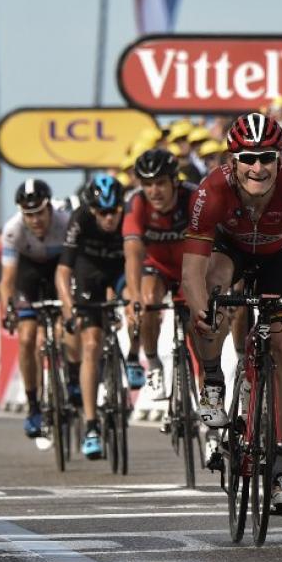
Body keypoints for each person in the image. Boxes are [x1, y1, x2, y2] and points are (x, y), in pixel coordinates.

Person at [182, 113, 282, 510]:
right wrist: (203, 310)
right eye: (249, 157)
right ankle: (214, 382)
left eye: (267, 157)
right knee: (214, 290)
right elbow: (191, 273)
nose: (258, 167)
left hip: (280, 257)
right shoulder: (211, 191)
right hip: (230, 251)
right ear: (233, 160)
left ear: (280, 158)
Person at [56, 174, 126, 460]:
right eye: (103, 213)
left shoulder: (129, 217)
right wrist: (68, 307)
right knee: (92, 344)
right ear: (93, 210)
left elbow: (139, 263)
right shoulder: (81, 218)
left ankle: (133, 359)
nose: (109, 218)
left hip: (120, 269)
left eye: (114, 212)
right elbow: (63, 271)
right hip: (90, 272)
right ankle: (91, 425)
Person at [0, 178, 74, 438]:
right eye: (28, 214)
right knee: (27, 338)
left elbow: (77, 266)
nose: (35, 220)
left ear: (49, 207)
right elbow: (7, 280)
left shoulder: (66, 223)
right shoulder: (12, 230)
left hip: (59, 273)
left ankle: (71, 378)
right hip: (29, 278)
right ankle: (33, 407)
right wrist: (7, 309)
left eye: (39, 212)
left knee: (67, 328)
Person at [123, 149, 197, 401]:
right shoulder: (136, 203)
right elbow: (133, 254)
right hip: (157, 267)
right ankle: (153, 364)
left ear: (174, 181)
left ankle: (208, 383)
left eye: (160, 183)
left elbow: (217, 245)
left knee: (199, 325)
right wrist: (134, 299)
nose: (154, 191)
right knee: (147, 301)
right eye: (147, 184)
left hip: (191, 268)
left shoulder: (194, 198)